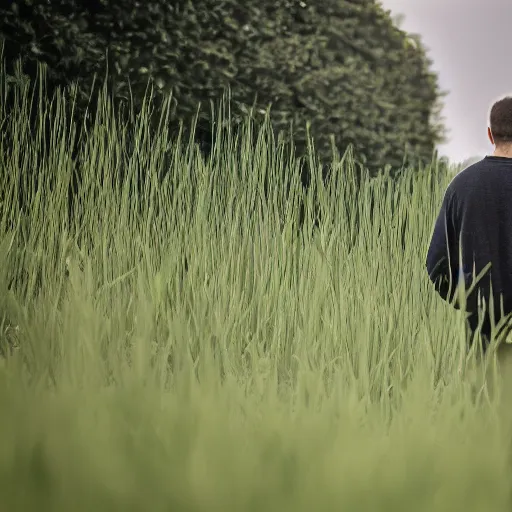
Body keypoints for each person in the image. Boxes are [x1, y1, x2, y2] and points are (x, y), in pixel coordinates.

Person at [426, 96, 512, 354]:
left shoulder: (461, 186)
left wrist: (469, 301)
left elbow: (436, 264)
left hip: (481, 337)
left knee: (485, 392)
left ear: (490, 134)